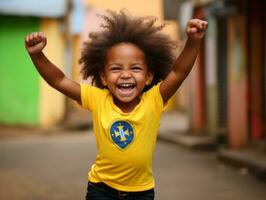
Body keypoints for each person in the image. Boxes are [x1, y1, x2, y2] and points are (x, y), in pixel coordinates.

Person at [25, 10, 208, 200]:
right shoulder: (97, 98)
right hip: (101, 188)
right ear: (103, 77)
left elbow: (178, 72)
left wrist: (194, 40)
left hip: (141, 192)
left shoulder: (154, 100)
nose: (126, 74)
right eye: (116, 68)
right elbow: (59, 80)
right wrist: (38, 55)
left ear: (148, 77)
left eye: (135, 68)